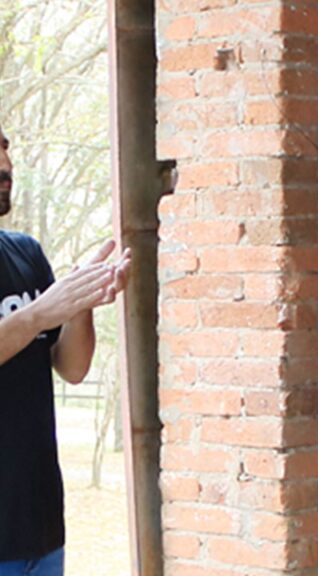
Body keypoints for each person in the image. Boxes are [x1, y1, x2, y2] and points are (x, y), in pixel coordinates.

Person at [0, 124, 131, 574]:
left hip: (40, 527)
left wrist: (81, 301)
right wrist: (38, 314)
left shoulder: (25, 253)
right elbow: (35, 320)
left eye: (5, 149)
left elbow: (72, 369)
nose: (5, 166)